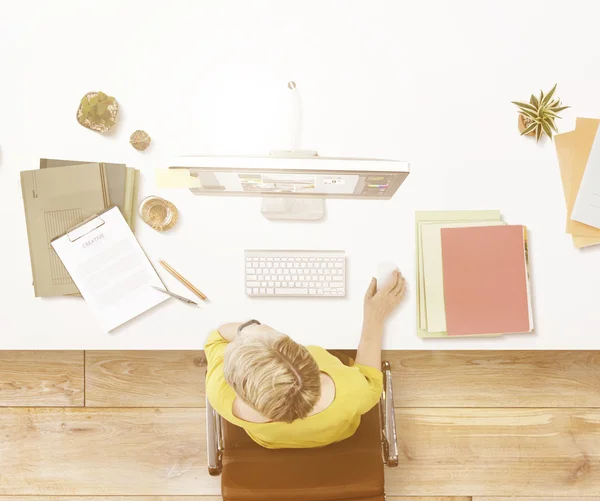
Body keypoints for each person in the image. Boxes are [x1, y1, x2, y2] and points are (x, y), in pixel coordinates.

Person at [205, 270, 406, 449]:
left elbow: (217, 338)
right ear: (308, 359)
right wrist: (374, 317)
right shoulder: (351, 389)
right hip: (333, 435)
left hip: (271, 441)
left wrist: (247, 329)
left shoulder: (220, 393)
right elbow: (371, 381)